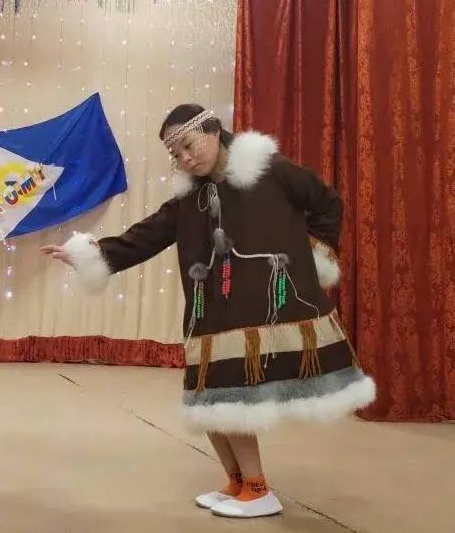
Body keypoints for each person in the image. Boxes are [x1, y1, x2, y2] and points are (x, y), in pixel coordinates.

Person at [42, 104, 375, 519]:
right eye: (176, 153)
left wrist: (314, 257)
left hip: (260, 307)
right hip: (210, 310)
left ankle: (258, 490)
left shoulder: (270, 170)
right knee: (207, 399)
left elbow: (327, 203)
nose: (185, 158)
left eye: (189, 145)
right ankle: (238, 482)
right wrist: (91, 252)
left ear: (214, 130)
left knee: (230, 398)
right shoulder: (190, 198)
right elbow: (147, 235)